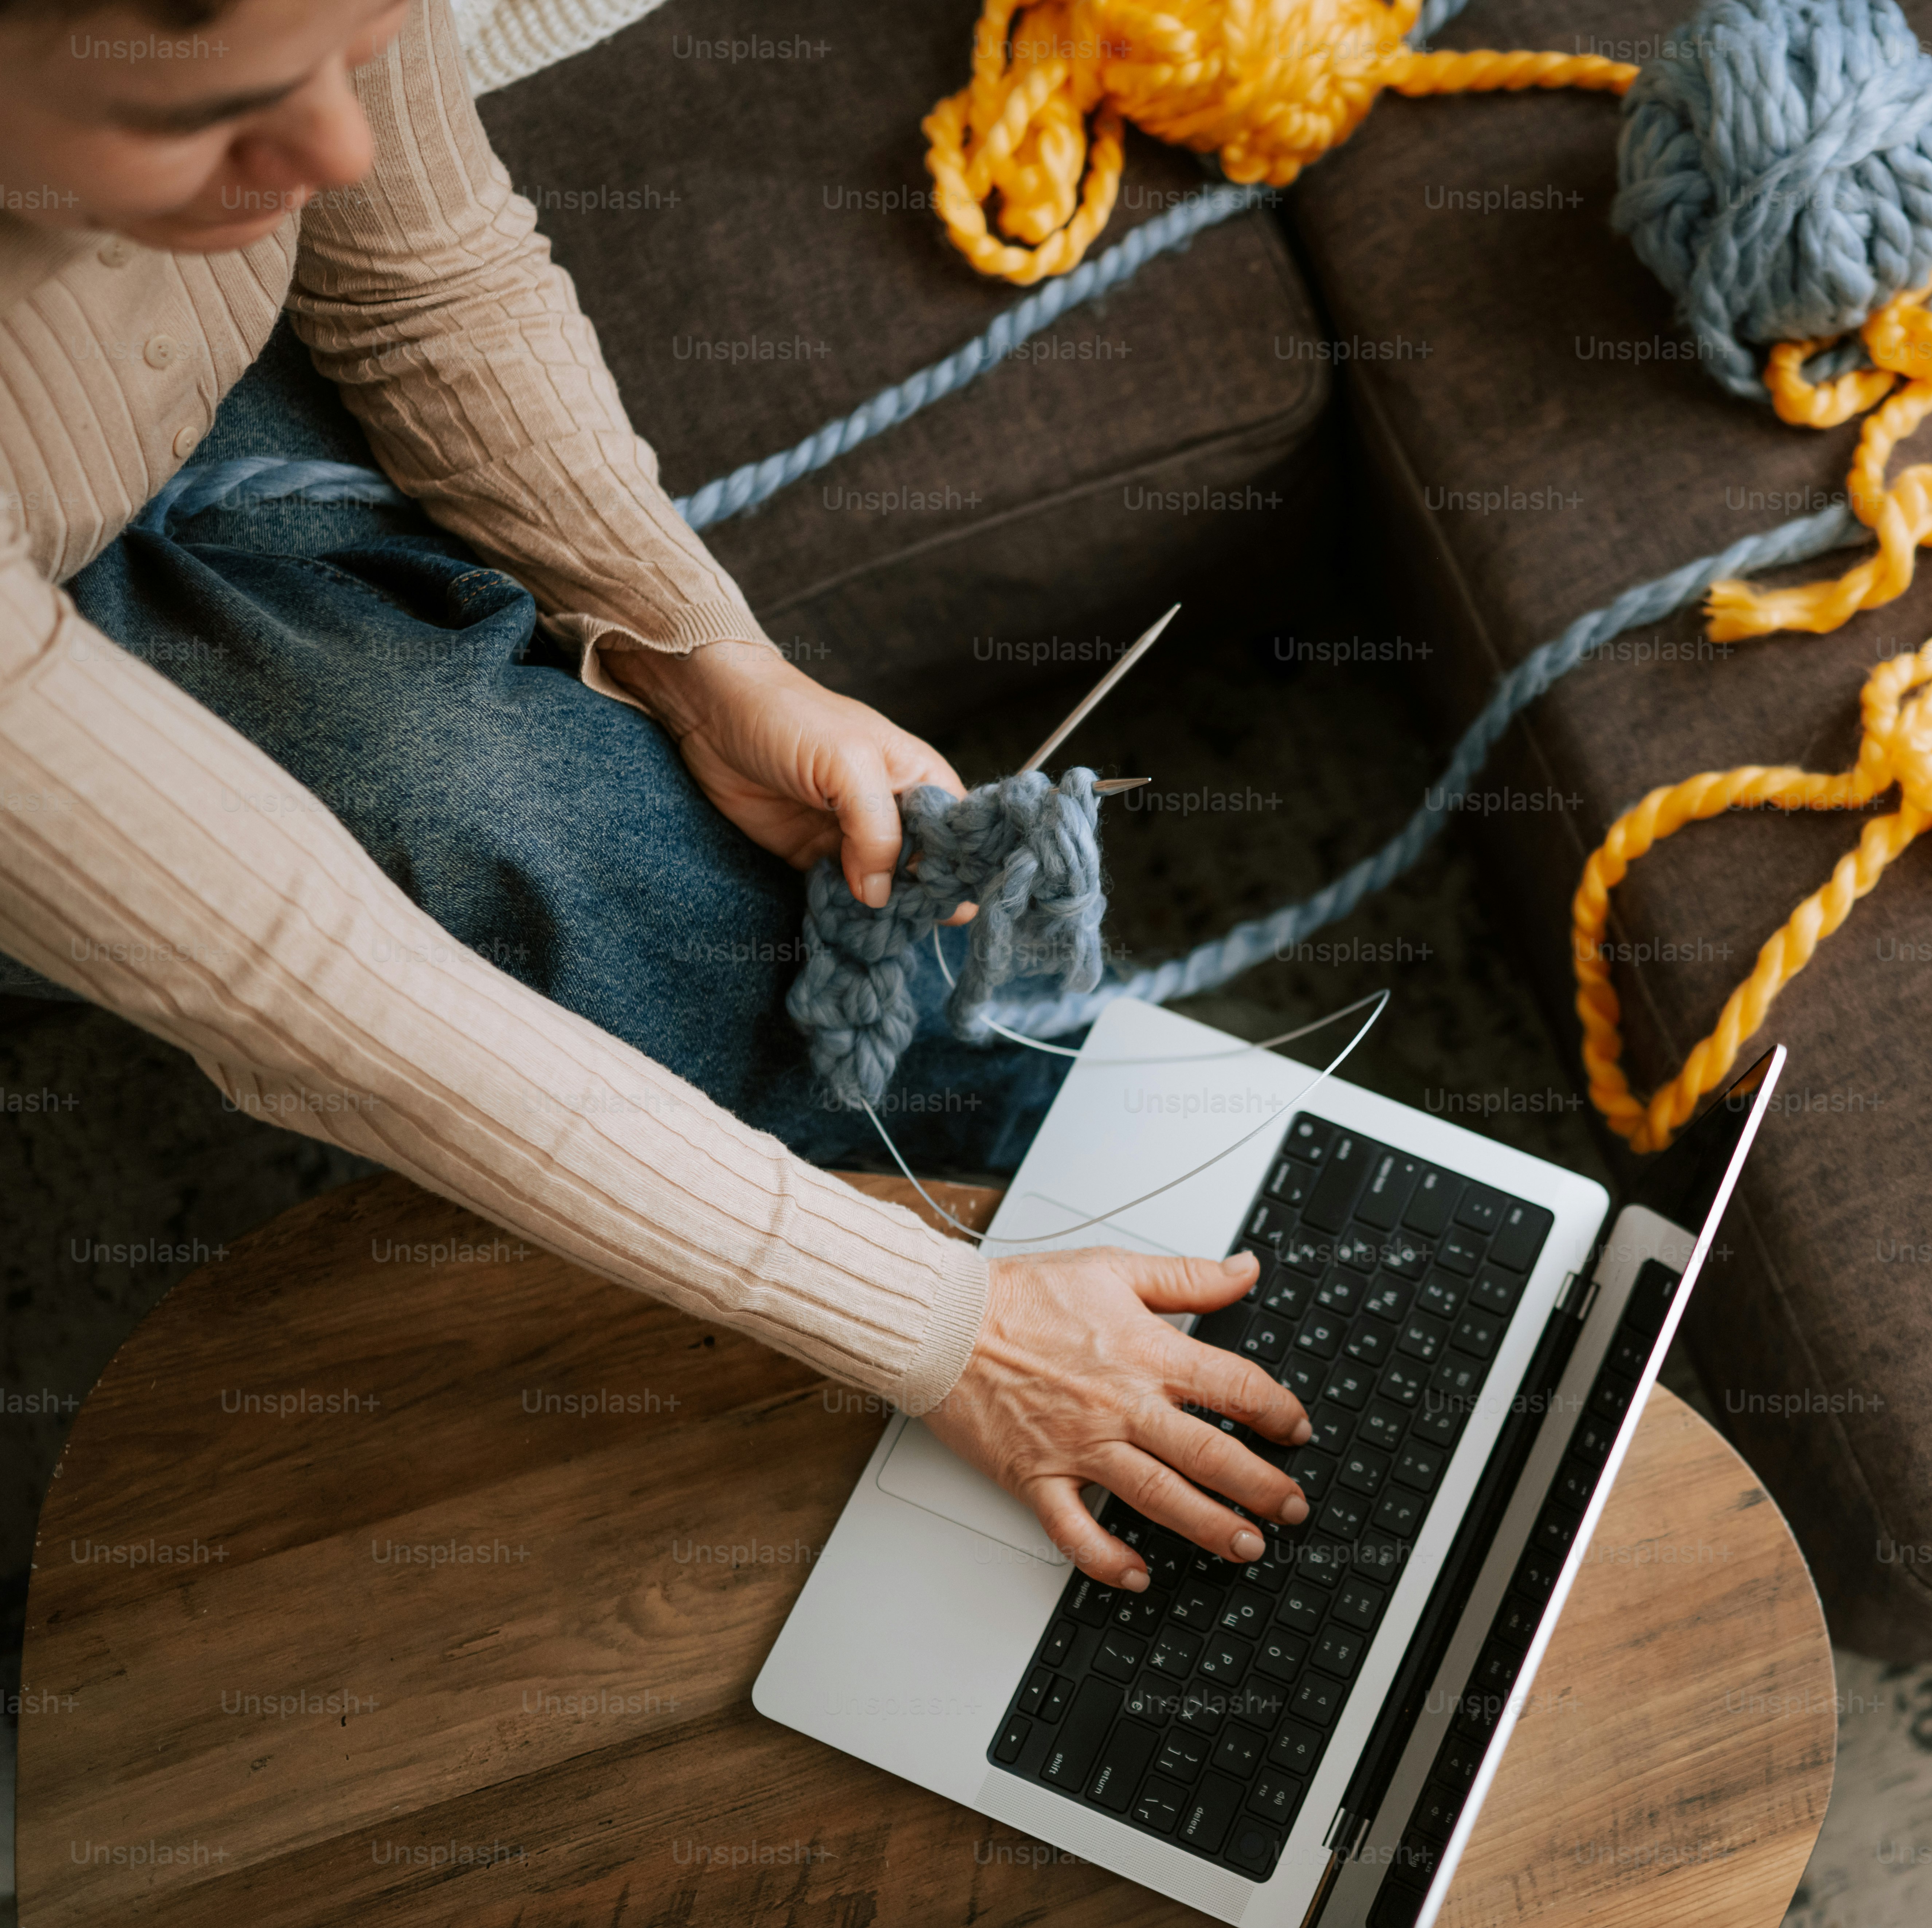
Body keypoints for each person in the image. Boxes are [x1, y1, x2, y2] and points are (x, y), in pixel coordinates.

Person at [0, 0, 1309, 1592]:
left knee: (506, 784)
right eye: (228, 114)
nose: (343, 151)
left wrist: (712, 662)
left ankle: (1077, 1172)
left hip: (125, 423)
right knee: (487, 826)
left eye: (354, 53)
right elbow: (314, 982)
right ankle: (1011, 1262)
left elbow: (429, 274)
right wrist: (939, 1333)